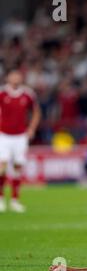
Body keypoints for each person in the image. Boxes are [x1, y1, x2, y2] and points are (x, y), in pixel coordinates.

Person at [0, 70, 41, 213]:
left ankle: (15, 200)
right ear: (8, 78)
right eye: (13, 75)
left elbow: (36, 111)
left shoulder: (27, 94)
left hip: (20, 136)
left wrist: (31, 128)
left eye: (18, 75)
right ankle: (0, 199)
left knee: (18, 167)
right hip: (4, 135)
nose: (16, 78)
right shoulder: (2, 93)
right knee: (2, 167)